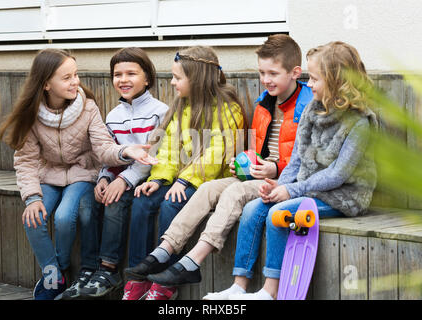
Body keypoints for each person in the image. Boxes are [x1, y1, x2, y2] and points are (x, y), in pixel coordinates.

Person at [123, 35, 313, 300]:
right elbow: (254, 150)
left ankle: (191, 262)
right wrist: (245, 164)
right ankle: (164, 250)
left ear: (295, 73)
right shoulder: (263, 105)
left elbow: (303, 158)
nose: (266, 79)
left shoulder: (308, 107)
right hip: (257, 177)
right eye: (262, 73)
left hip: (285, 181)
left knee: (199, 198)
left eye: (273, 73)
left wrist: (274, 168)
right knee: (207, 190)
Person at [204, 41, 378, 300]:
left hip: (344, 197)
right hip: (308, 189)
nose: (309, 84)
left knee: (280, 213)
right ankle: (239, 286)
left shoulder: (360, 122)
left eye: (316, 79)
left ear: (337, 81)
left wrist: (290, 191)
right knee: (254, 208)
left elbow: (337, 175)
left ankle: (270, 291)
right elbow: (296, 159)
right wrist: (277, 186)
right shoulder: (311, 110)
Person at [0, 49, 157, 300]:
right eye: (66, 77)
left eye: (76, 74)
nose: (75, 82)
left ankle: (63, 267)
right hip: (48, 175)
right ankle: (52, 272)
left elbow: (103, 147)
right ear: (46, 84)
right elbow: (26, 160)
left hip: (82, 173)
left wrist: (127, 150)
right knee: (33, 217)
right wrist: (32, 197)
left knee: (64, 217)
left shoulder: (88, 107)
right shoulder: (33, 114)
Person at [122, 46, 246, 300]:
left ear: (198, 78)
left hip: (210, 180)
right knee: (143, 200)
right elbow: (167, 149)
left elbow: (217, 154)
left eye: (178, 78)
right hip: (181, 177)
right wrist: (157, 179)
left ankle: (166, 283)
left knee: (171, 203)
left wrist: (184, 179)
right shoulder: (180, 106)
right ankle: (139, 277)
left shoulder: (228, 108)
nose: (172, 82)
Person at [57, 48, 169, 299]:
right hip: (118, 175)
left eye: (131, 73)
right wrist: (105, 177)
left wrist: (123, 181)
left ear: (147, 78)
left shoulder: (160, 112)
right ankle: (89, 270)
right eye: (118, 74)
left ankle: (109, 269)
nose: (123, 79)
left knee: (115, 202)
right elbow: (108, 152)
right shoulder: (114, 115)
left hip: (146, 178)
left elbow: (152, 158)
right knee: (91, 202)